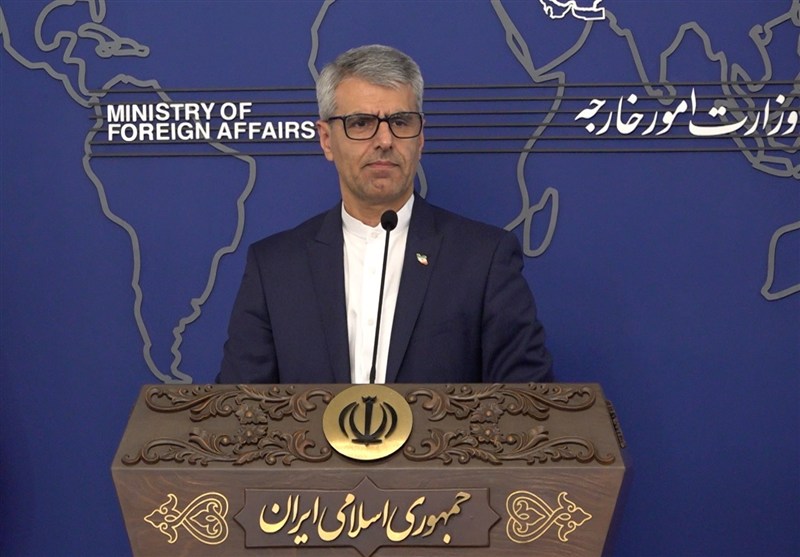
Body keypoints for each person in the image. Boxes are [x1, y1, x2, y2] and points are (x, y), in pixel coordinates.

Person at [217, 44, 552, 384]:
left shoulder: (483, 259)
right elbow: (237, 407)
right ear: (327, 140)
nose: (385, 140)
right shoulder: (274, 267)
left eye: (400, 122)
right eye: (361, 123)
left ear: (420, 138)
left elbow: (527, 401)